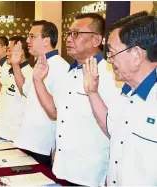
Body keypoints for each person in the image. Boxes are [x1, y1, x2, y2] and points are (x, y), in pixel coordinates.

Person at [33, 13, 120, 186]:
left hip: (91, 174)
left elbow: (115, 129)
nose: (69, 39)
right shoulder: (70, 73)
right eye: (68, 33)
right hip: (63, 167)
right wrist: (37, 80)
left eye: (76, 34)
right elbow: (54, 112)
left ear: (96, 40)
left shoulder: (111, 75)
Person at [84, 12, 157, 185]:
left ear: (137, 55)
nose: (110, 61)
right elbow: (111, 129)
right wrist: (92, 92)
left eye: (112, 53)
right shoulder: (126, 93)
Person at [12, 21, 69, 168]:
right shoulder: (40, 64)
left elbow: (58, 111)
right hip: (30, 140)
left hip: (43, 146)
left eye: (32, 36)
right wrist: (15, 65)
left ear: (46, 40)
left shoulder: (60, 67)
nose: (27, 41)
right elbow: (24, 90)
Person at [0, 36, 32, 141]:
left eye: (9, 50)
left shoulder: (29, 74)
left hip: (13, 136)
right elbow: (2, 94)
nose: (7, 54)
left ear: (20, 51)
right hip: (1, 132)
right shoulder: (10, 72)